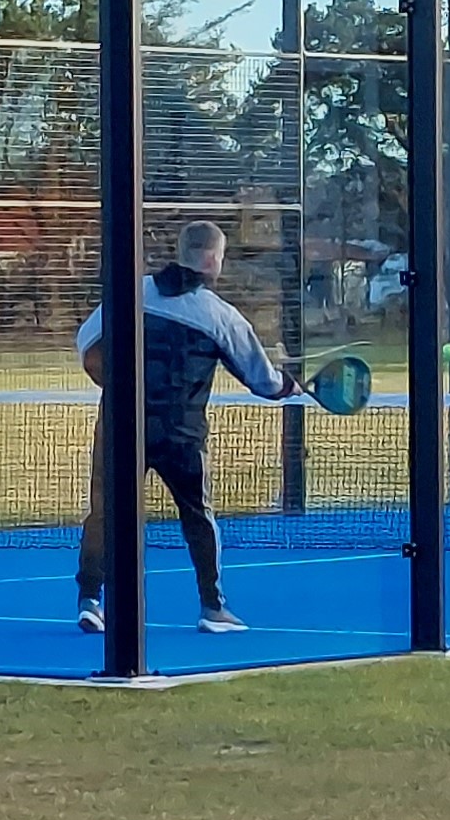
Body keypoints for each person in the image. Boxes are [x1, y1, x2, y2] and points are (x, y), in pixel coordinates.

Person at [78, 219, 293, 635]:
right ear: (213, 258)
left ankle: (90, 600)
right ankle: (213, 608)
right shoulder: (220, 316)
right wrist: (288, 385)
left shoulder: (130, 291)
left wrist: (119, 386)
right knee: (198, 516)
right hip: (182, 435)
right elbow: (264, 381)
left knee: (105, 513)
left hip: (120, 428)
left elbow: (86, 345)